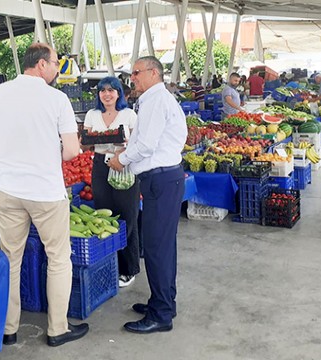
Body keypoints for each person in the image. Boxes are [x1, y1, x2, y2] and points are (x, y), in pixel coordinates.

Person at [0, 43, 87, 347]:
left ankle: (8, 330)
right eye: (56, 63)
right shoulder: (56, 99)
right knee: (59, 258)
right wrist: (41, 149)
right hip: (45, 191)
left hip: (7, 189)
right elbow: (73, 151)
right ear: (41, 65)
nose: (56, 69)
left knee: (10, 259)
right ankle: (57, 329)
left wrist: (13, 147)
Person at [108, 56, 186, 334]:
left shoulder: (155, 100)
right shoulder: (158, 99)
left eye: (137, 73)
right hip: (165, 178)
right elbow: (149, 140)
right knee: (164, 246)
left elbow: (147, 145)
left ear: (154, 73)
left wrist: (123, 160)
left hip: (160, 180)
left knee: (156, 249)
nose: (133, 79)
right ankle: (163, 301)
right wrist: (130, 151)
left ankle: (161, 314)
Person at [84, 77, 140, 288]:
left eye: (111, 90)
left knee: (127, 215)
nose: (107, 94)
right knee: (104, 213)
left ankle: (128, 268)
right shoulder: (92, 114)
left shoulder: (129, 115)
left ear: (119, 93)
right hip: (100, 165)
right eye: (102, 91)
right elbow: (86, 143)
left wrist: (123, 152)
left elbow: (137, 143)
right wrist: (90, 141)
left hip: (124, 164)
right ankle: (109, 264)